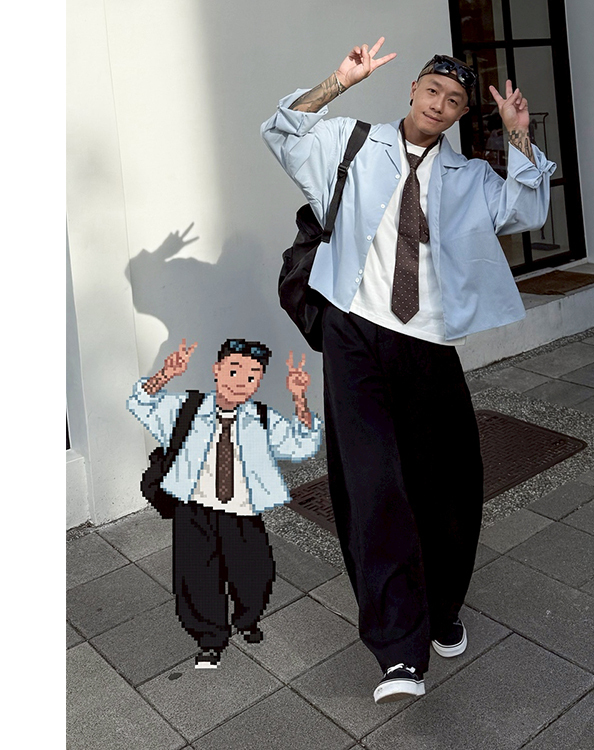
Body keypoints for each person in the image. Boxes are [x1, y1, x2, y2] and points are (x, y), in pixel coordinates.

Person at [261, 38, 555, 703]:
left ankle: (442, 606)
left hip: (426, 343)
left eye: (453, 100)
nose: (439, 105)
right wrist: (338, 81)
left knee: (449, 485)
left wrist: (518, 135)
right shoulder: (352, 144)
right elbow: (282, 131)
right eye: (432, 91)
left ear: (460, 115)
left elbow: (528, 208)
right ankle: (399, 650)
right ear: (412, 91)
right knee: (371, 489)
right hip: (354, 334)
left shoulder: (469, 177)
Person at [127, 338, 322, 668]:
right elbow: (140, 403)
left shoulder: (262, 418)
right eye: (233, 370)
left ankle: (247, 619)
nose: (240, 381)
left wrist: (299, 397)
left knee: (255, 574)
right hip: (194, 508)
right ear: (217, 370)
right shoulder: (187, 409)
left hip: (241, 512)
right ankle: (209, 639)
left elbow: (302, 445)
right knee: (196, 577)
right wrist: (165, 374)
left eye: (252, 375)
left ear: (259, 381)